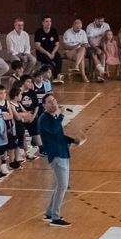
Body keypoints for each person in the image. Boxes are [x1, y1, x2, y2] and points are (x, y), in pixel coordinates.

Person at [35, 92, 77, 227]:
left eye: (54, 101)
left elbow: (58, 135)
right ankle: (55, 217)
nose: (53, 103)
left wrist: (72, 140)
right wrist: (61, 114)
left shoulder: (53, 117)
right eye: (50, 102)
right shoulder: (44, 119)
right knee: (63, 186)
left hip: (62, 152)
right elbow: (53, 130)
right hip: (57, 155)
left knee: (60, 185)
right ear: (44, 105)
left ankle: (49, 213)